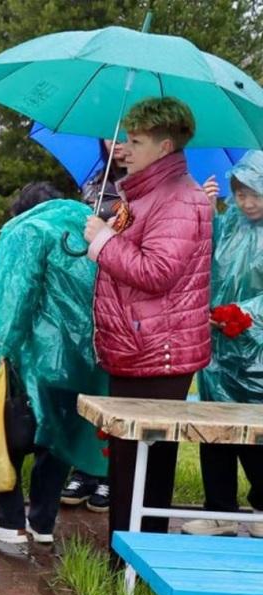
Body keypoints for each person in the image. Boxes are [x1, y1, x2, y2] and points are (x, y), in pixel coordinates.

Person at [82, 97, 212, 553]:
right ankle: (127, 558)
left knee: (144, 467)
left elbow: (157, 273)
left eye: (135, 141)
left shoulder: (180, 199)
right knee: (127, 462)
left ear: (165, 145)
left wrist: (103, 242)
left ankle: (138, 562)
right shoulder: (145, 194)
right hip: (137, 345)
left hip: (159, 352)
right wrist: (108, 233)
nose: (123, 148)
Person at [0, 183, 111, 545]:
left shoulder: (28, 232)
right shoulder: (91, 232)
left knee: (7, 435)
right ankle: (42, 523)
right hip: (82, 359)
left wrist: (0, 348)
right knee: (58, 440)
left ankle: (10, 521)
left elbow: (16, 296)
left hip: (33, 357)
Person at [182, 151, 263, 536]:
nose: (247, 202)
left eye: (255, 194)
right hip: (217, 346)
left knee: (256, 432)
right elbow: (202, 257)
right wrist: (205, 209)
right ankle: (219, 511)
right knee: (214, 428)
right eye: (241, 193)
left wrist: (245, 315)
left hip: (256, 353)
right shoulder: (229, 221)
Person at [60, 140, 128, 513]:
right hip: (85, 295)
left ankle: (107, 474)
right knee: (85, 385)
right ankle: (83, 467)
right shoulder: (92, 183)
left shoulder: (146, 190)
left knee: (110, 387)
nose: (116, 144)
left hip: (123, 298)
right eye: (109, 135)